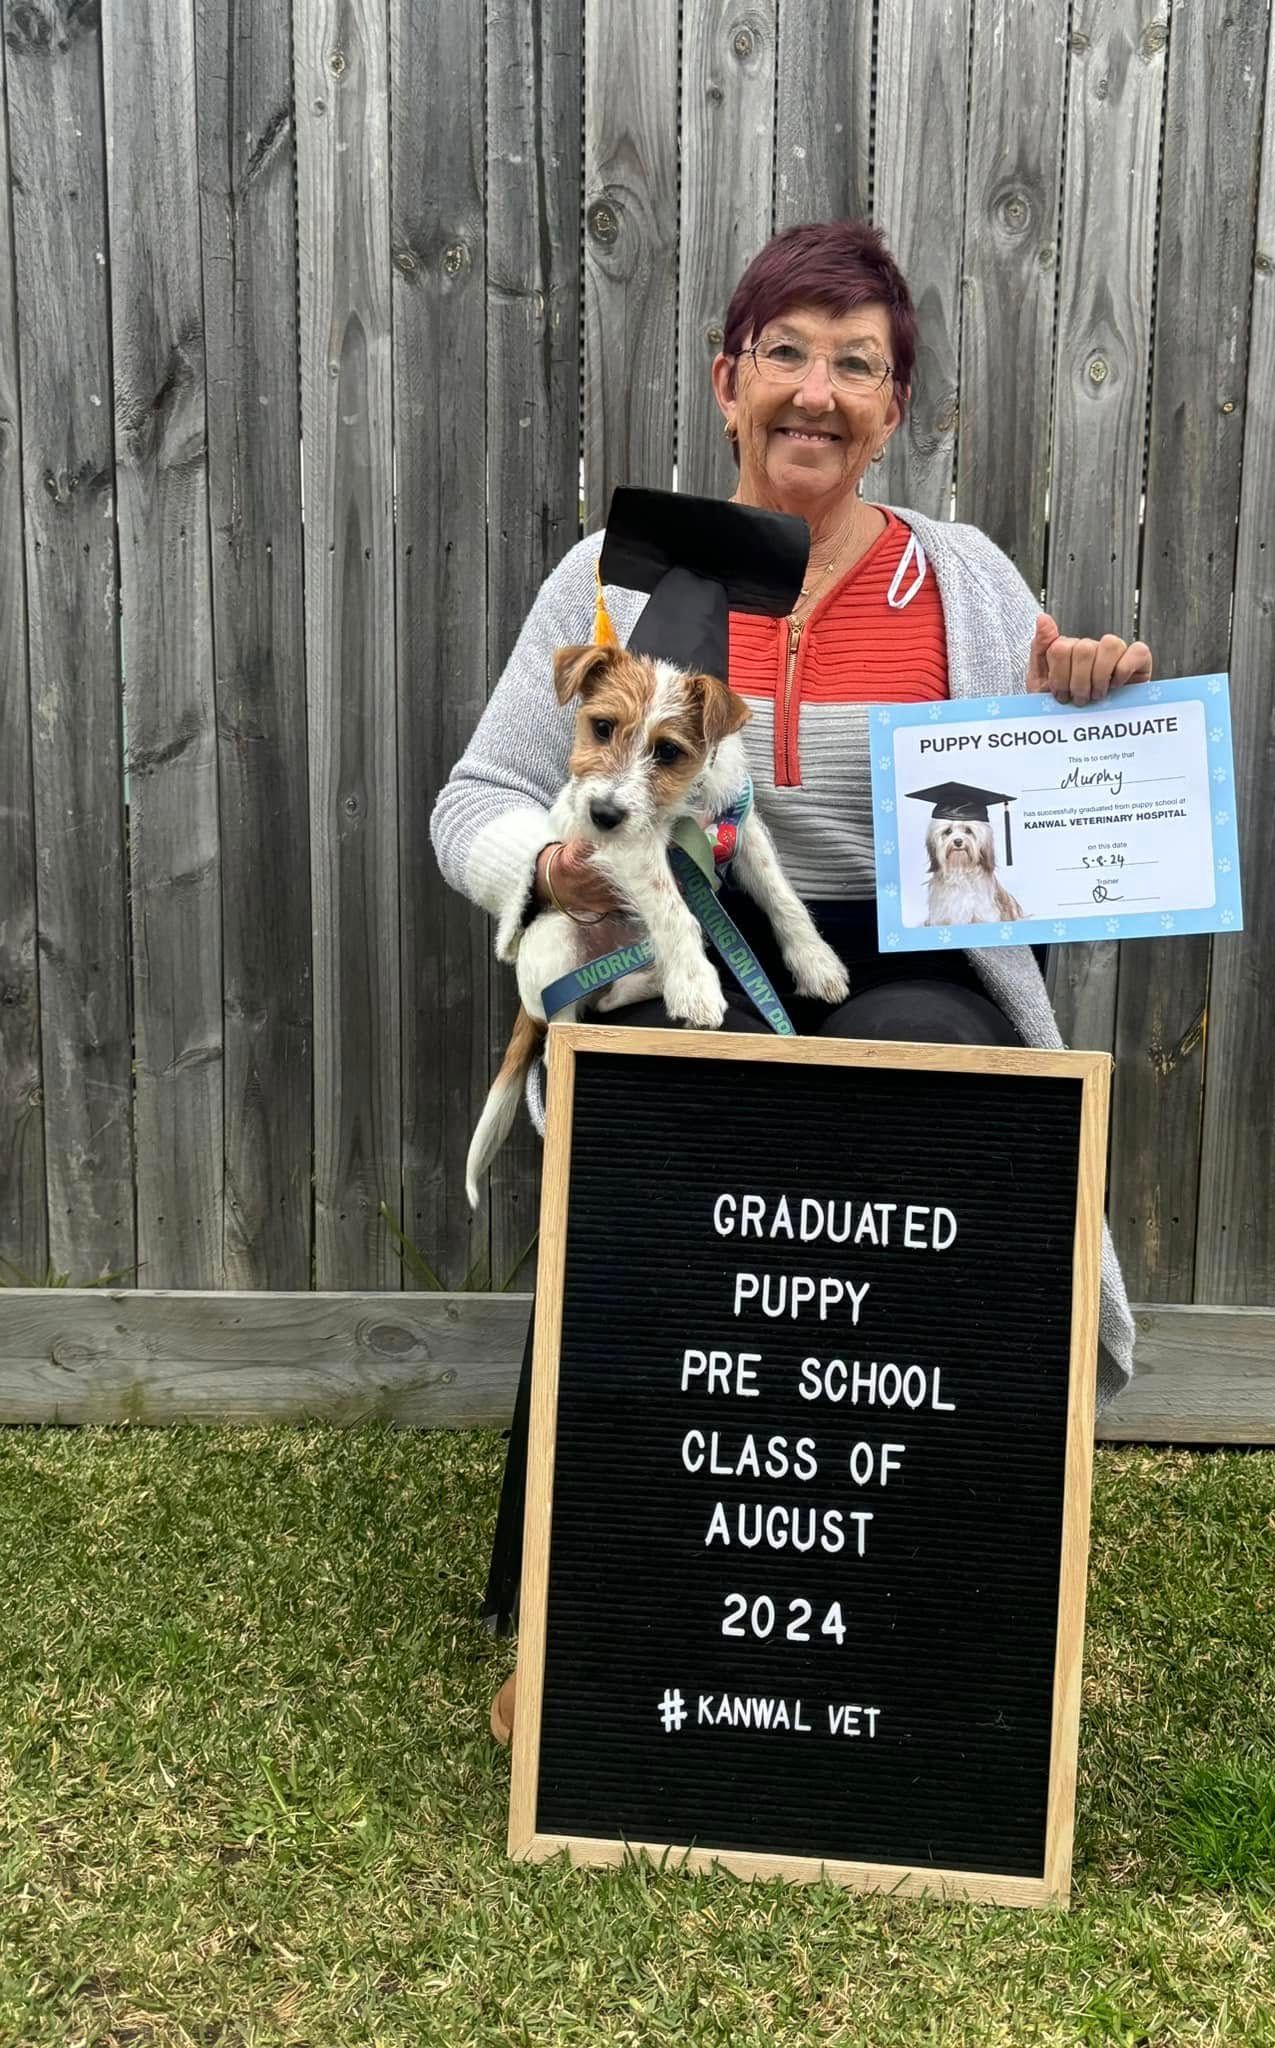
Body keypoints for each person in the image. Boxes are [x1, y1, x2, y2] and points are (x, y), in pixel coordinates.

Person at [429, 220, 1152, 1741]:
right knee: (667, 1147)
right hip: (667, 939)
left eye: (858, 364)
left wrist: (1075, 685)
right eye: (787, 354)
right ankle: (618, 1600)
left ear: (896, 409)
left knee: (923, 1079)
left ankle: (919, 1578)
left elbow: (1051, 796)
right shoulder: (616, 580)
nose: (818, 391)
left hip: (907, 947)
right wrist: (543, 869)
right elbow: (474, 800)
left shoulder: (958, 581)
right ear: (727, 382)